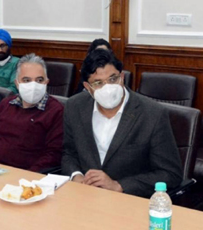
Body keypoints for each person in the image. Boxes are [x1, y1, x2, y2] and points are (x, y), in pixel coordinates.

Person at [61, 49, 181, 197]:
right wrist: (76, 176)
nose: (108, 88)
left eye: (113, 79)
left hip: (129, 201)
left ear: (122, 77)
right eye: (98, 83)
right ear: (87, 87)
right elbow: (69, 153)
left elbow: (170, 174)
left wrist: (119, 185)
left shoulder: (152, 114)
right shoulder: (74, 106)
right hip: (85, 196)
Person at [0, 53, 64, 172]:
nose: (33, 85)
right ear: (17, 83)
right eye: (26, 80)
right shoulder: (5, 104)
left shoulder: (56, 111)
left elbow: (53, 155)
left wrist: (27, 177)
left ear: (46, 82)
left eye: (39, 80)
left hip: (25, 177)